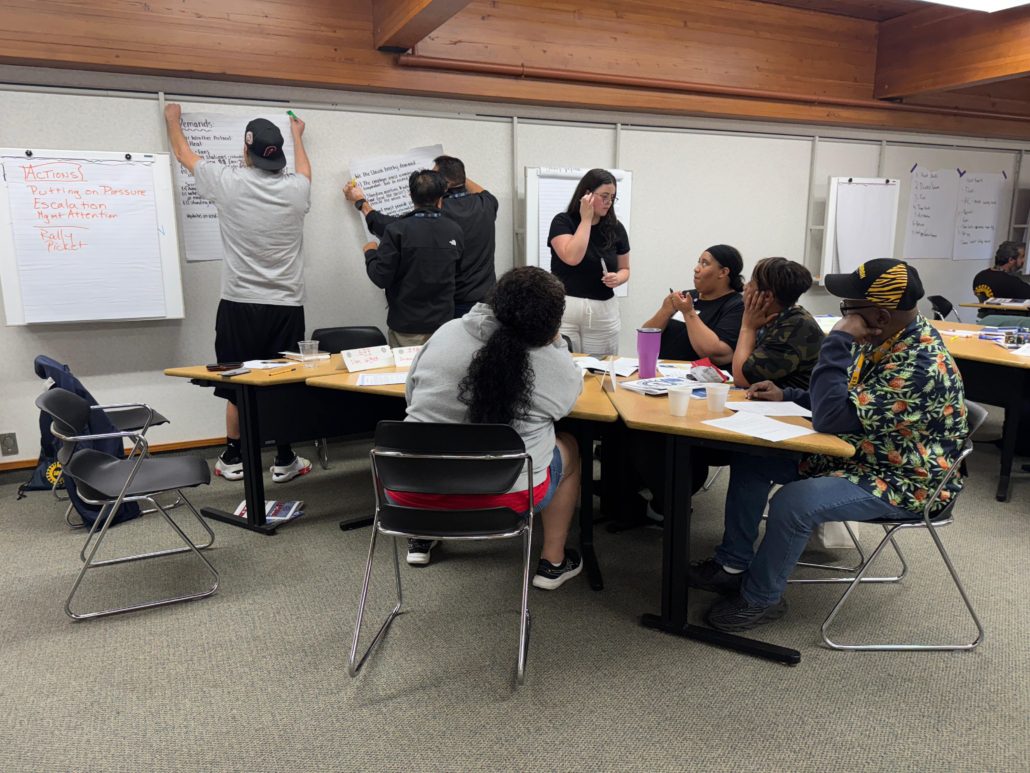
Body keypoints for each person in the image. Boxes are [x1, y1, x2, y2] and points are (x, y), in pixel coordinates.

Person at [690, 259, 968, 632]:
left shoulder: (920, 365)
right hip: (859, 453)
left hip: (905, 479)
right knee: (752, 461)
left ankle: (761, 599)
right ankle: (733, 564)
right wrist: (789, 394)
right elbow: (847, 397)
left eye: (847, 310)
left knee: (794, 503)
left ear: (880, 316)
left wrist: (838, 337)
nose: (843, 317)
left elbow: (832, 417)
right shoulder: (884, 338)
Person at [398, 266, 585, 589]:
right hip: (505, 499)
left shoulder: (446, 332)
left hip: (412, 490)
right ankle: (553, 561)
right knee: (569, 444)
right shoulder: (551, 362)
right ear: (551, 323)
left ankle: (422, 535)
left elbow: (410, 397)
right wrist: (557, 345)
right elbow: (565, 407)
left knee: (434, 432)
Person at [164, 104, 313, 484]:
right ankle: (284, 458)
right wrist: (297, 137)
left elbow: (182, 153)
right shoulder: (298, 190)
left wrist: (171, 119)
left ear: (245, 151)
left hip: (239, 304)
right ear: (278, 157)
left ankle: (234, 457)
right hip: (286, 306)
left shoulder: (227, 182)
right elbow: (305, 171)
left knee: (237, 383)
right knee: (282, 383)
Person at [344, 155, 498, 318]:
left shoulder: (438, 214)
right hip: (487, 300)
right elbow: (477, 188)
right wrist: (453, 169)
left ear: (443, 185)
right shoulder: (487, 203)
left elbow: (388, 227)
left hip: (453, 304)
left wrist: (360, 202)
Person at [361, 170, 464, 347]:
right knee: (438, 365)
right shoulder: (455, 230)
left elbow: (380, 277)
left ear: (411, 196)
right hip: (442, 326)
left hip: (406, 326)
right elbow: (459, 273)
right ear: (440, 199)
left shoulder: (397, 230)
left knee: (405, 366)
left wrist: (370, 253)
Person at [547, 168, 630, 355]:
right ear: (587, 195)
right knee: (567, 362)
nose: (609, 202)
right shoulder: (563, 222)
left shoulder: (616, 228)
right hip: (566, 308)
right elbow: (572, 257)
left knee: (601, 367)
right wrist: (586, 219)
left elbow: (625, 268)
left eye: (612, 197)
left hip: (603, 311)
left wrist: (618, 278)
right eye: (604, 196)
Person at [642, 245, 745, 366]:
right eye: (699, 262)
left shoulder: (736, 305)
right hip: (661, 371)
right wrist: (665, 311)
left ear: (723, 272)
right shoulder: (686, 296)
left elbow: (718, 354)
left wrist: (688, 312)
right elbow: (645, 339)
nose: (696, 269)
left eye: (705, 264)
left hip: (699, 376)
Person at [731, 257, 824, 389]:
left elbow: (742, 379)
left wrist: (747, 328)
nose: (745, 287)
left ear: (767, 296)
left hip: (794, 401)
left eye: (751, 283)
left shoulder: (794, 328)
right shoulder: (775, 317)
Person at [972, 241, 1030, 315]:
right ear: (1011, 260)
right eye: (1022, 257)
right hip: (1010, 320)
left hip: (986, 318)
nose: (1024, 261)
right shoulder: (1012, 282)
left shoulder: (980, 276)